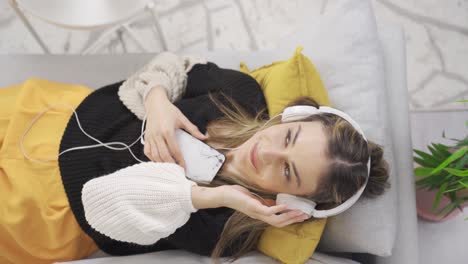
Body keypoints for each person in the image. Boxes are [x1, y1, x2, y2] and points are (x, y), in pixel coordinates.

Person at [0, 52, 390, 264]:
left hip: (45, 214)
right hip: (49, 115)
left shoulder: (226, 229)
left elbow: (104, 203)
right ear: (291, 116)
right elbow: (167, 66)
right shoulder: (241, 93)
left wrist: (207, 197)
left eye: (287, 171)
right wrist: (157, 102)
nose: (266, 151)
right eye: (287, 136)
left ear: (294, 203)